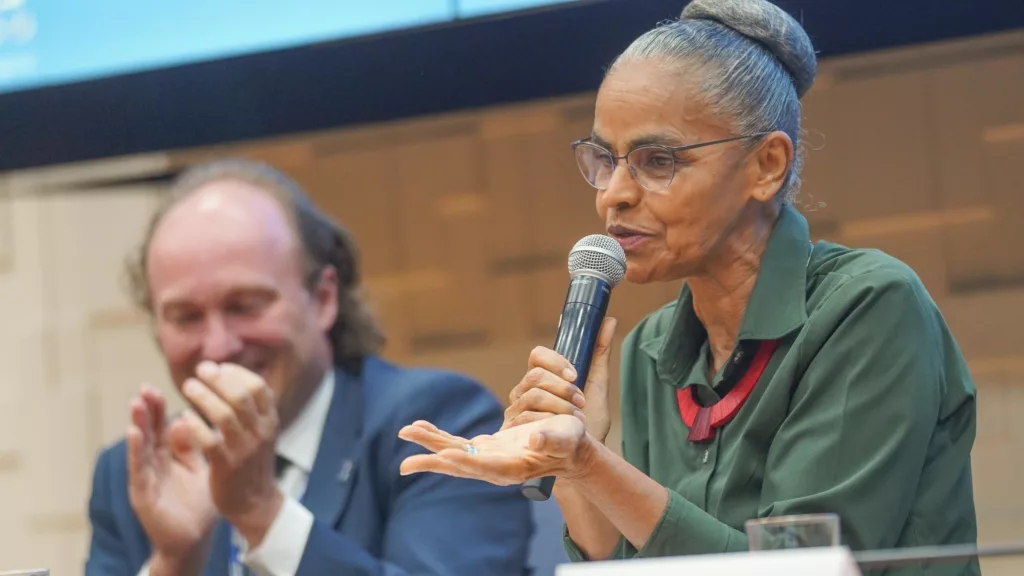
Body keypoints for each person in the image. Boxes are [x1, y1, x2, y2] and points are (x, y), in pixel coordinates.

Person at [397, 0, 981, 574]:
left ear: (766, 166)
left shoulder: (870, 304)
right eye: (605, 158)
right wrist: (571, 461)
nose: (613, 194)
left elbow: (805, 568)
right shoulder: (654, 347)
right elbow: (635, 565)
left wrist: (591, 461)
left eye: (656, 161)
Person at [84, 158, 533, 576]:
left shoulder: (436, 423)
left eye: (245, 306)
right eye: (185, 316)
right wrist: (175, 561)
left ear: (322, 299)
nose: (218, 347)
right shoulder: (133, 472)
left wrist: (262, 511)